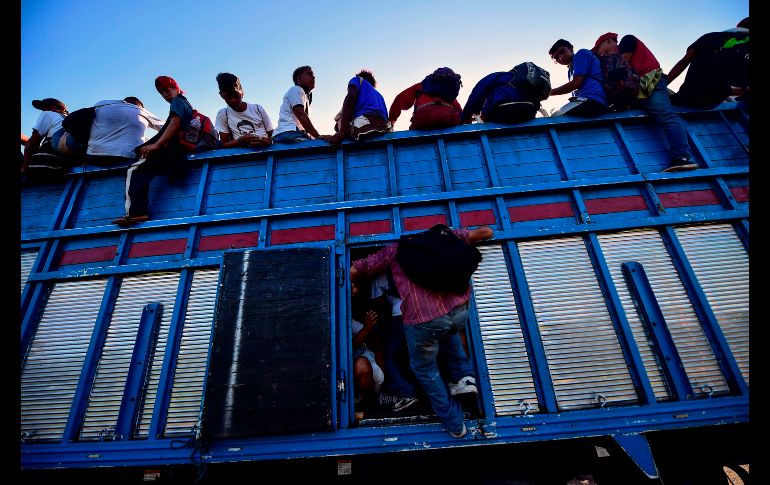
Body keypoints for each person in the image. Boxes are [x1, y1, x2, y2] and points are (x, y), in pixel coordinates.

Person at [350, 225, 494, 438]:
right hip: (459, 308)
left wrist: (354, 285)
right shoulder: (443, 234)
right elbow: (487, 232)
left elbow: (355, 270)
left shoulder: (394, 250)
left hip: (423, 319)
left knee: (425, 368)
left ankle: (455, 424)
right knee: (449, 331)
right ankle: (464, 379)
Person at [593, 32, 698, 172]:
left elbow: (621, 68)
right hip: (639, 89)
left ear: (607, 41)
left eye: (600, 50)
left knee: (667, 117)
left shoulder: (627, 40)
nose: (600, 54)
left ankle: (682, 157)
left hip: (650, 82)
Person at [112, 76, 194, 226]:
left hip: (170, 149)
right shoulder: (185, 103)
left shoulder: (177, 102)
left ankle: (136, 213)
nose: (164, 94)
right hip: (175, 151)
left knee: (134, 169)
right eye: (161, 92)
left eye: (166, 90)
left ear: (176, 88)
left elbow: (175, 124)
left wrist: (156, 145)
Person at [667, 18, 750, 109]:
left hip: (686, 96)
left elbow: (684, 61)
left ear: (738, 26)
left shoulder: (709, 36)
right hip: (711, 101)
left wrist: (663, 86)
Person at [368, 272, 420, 412]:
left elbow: (376, 304)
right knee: (420, 354)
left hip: (399, 316)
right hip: (424, 313)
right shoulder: (413, 265)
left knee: (389, 356)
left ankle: (406, 392)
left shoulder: (380, 276)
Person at [86, 97, 164, 166]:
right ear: (139, 105)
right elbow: (166, 127)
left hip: (93, 156)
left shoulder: (101, 105)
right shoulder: (140, 110)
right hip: (126, 157)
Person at [327, 70, 392, 146]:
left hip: (367, 120)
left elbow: (351, 97)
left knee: (339, 122)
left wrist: (341, 132)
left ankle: (348, 132)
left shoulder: (357, 80)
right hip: (384, 126)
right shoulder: (379, 96)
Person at [548, 39, 609, 117]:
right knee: (555, 115)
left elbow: (576, 83)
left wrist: (548, 93)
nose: (560, 57)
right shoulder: (570, 70)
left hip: (593, 100)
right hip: (586, 101)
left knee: (555, 118)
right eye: (556, 57)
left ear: (571, 48)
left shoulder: (581, 54)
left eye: (562, 51)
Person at [462, 69, 547, 124]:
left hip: (502, 111)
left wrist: (467, 114)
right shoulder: (526, 79)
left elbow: (479, 90)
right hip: (529, 111)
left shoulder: (499, 76)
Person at [388, 67, 463, 130]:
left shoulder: (422, 85)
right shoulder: (449, 92)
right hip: (449, 118)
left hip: (423, 117)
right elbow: (460, 112)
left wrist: (391, 121)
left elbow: (399, 99)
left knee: (414, 132)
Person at [214, 72, 274, 149]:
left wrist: (268, 140)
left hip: (266, 152)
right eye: (228, 97)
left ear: (242, 91)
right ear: (221, 96)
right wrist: (241, 140)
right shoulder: (223, 114)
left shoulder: (258, 108)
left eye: (236, 95)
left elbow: (272, 134)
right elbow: (224, 144)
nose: (233, 100)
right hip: (242, 158)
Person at [273, 66, 329, 144]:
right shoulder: (296, 89)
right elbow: (300, 114)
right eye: (309, 74)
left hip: (294, 133)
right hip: (287, 133)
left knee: (318, 144)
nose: (313, 77)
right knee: (318, 146)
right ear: (299, 79)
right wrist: (317, 136)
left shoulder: (305, 97)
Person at [22, 98, 69, 174]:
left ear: (60, 108)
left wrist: (24, 168)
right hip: (62, 168)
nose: (44, 110)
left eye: (47, 107)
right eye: (42, 108)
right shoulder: (68, 120)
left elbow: (31, 144)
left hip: (44, 166)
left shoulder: (48, 114)